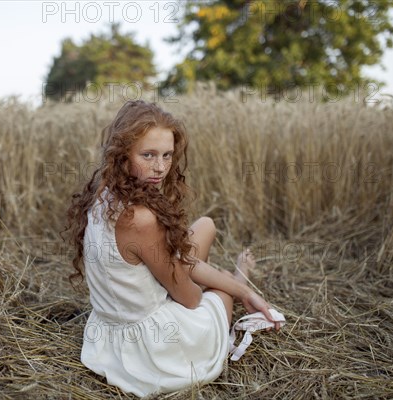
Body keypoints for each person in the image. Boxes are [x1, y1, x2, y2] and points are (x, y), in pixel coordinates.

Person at [64, 100, 281, 397]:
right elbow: (190, 299)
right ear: (122, 153)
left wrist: (185, 269)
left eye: (167, 155)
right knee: (216, 295)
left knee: (205, 226)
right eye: (148, 155)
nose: (160, 168)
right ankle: (235, 279)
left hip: (108, 330)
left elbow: (179, 257)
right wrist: (236, 287)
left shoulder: (101, 193)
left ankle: (234, 283)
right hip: (151, 346)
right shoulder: (138, 218)